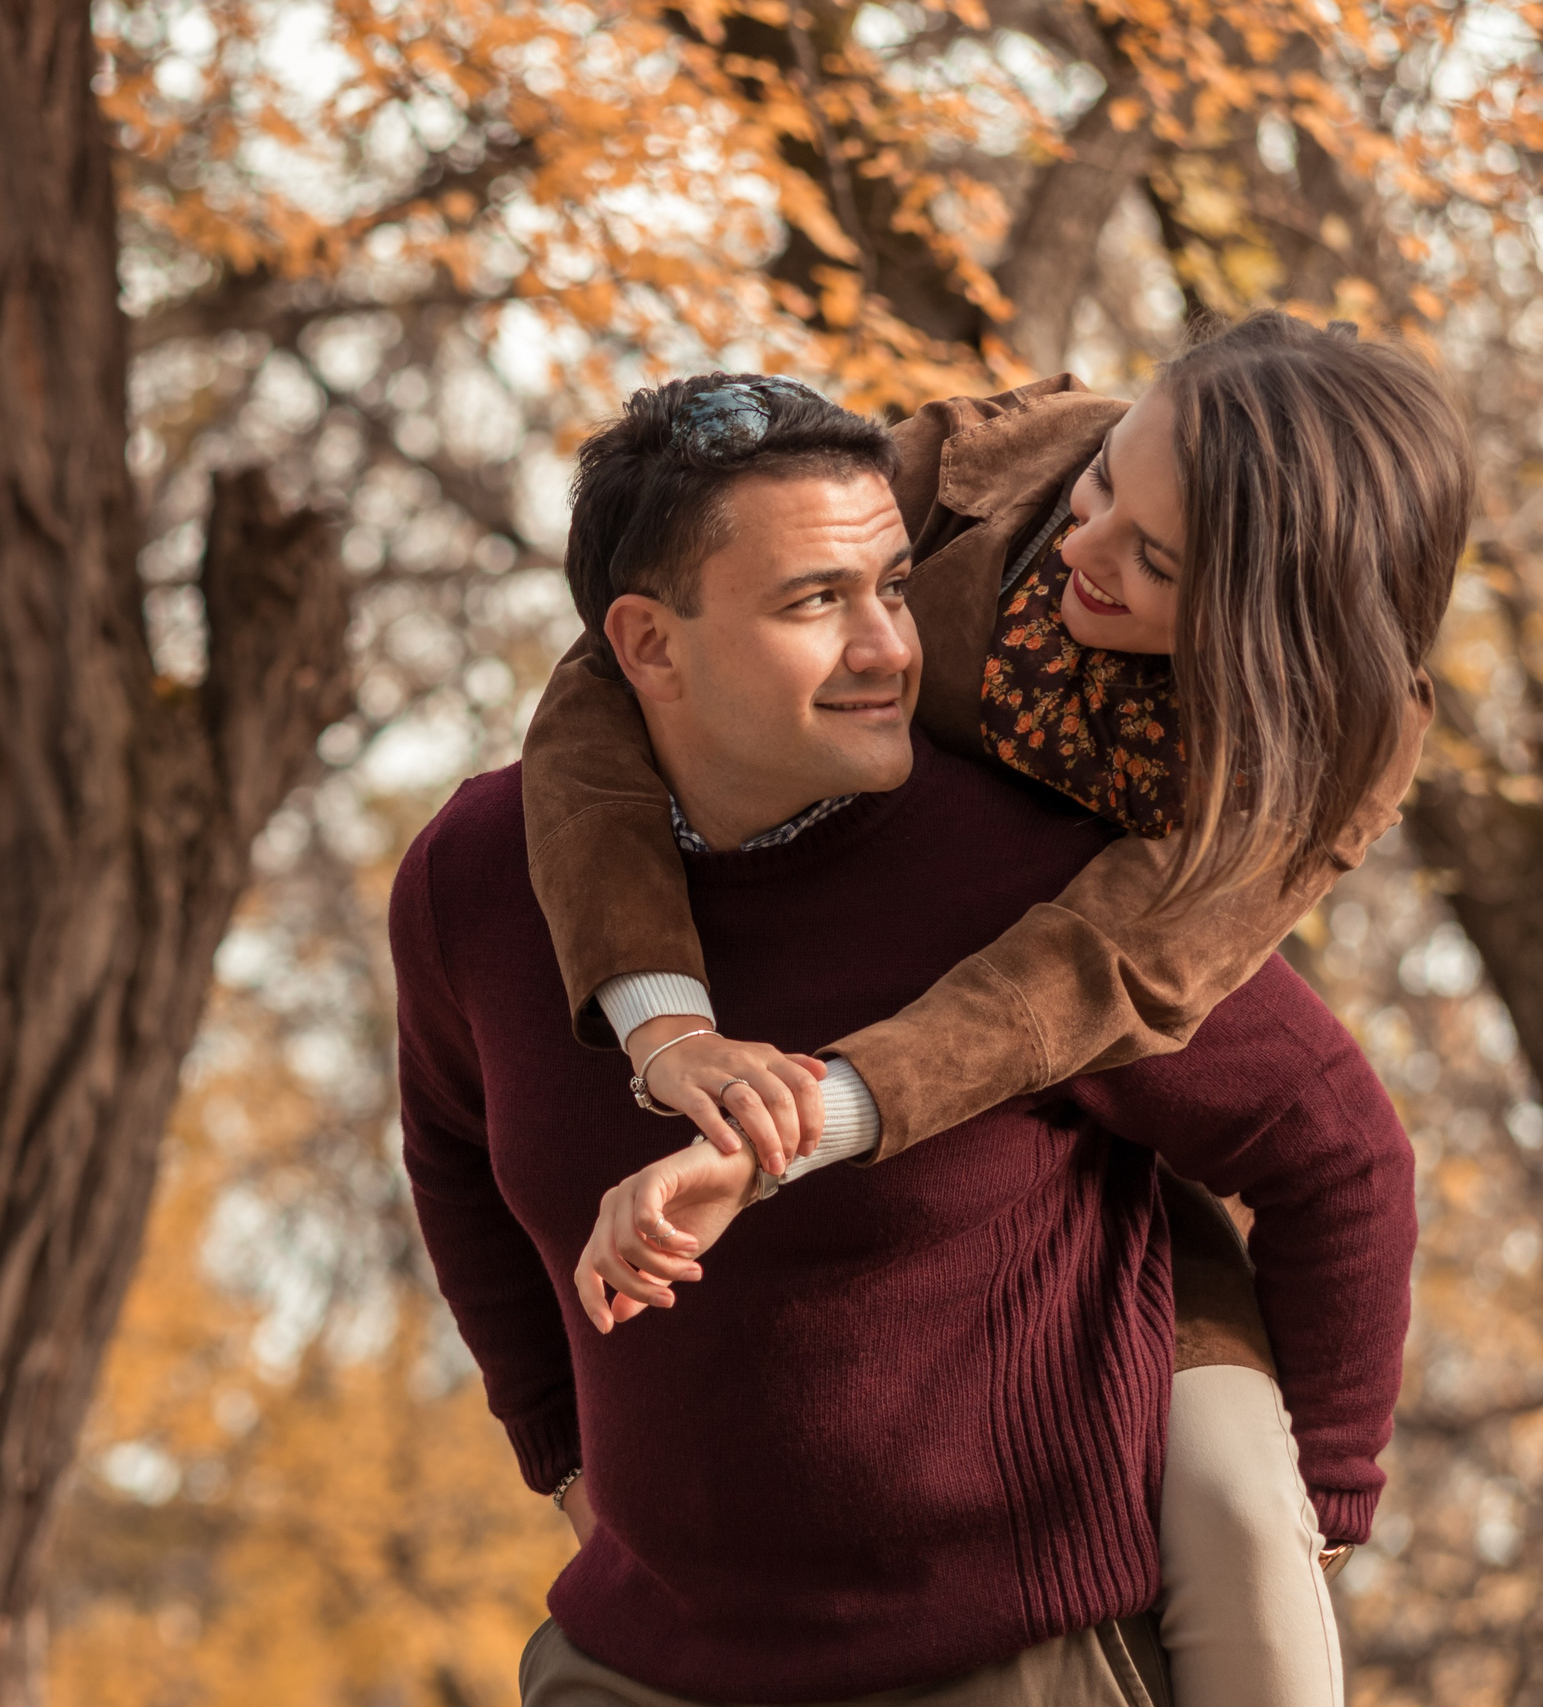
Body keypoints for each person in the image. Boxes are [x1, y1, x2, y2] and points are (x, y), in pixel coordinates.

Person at [393, 379, 1417, 1707]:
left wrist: (1326, 1493)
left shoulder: (1034, 870)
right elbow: (454, 1153)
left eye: (893, 587)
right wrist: (563, 1462)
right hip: (636, 1666)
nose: (891, 645)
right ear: (648, 645)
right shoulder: (477, 874)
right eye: (818, 601)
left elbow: (1336, 1153)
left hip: (1017, 1660)